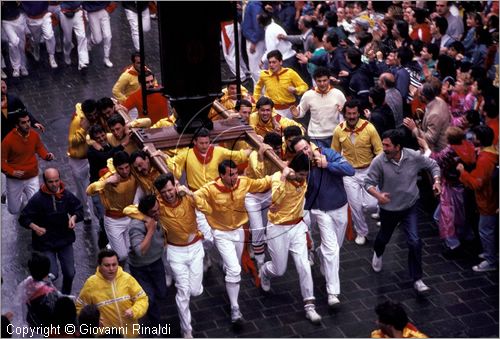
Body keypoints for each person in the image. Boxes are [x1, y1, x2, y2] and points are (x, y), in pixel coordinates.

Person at [194, 160, 272, 324]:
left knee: (233, 265)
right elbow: (195, 198)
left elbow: (263, 183)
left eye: (236, 173)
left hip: (239, 231)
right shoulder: (210, 189)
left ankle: (227, 269)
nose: (234, 177)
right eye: (230, 174)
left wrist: (282, 173)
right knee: (235, 270)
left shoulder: (244, 182)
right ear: (221, 175)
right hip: (221, 234)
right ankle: (235, 309)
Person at [365, 129, 441, 292]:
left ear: (398, 147)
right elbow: (368, 183)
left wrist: (436, 181)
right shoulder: (379, 161)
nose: (384, 148)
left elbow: (433, 165)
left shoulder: (413, 156)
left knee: (414, 242)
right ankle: (378, 253)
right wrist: (378, 196)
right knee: (383, 238)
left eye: (387, 145)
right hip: (389, 209)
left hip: (410, 207)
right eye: (383, 144)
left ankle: (417, 279)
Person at [259, 153, 322, 323]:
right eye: (301, 175)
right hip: (277, 228)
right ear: (293, 170)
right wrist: (283, 178)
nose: (303, 179)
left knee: (304, 265)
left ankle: (310, 306)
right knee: (279, 270)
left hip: (297, 226)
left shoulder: (302, 179)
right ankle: (264, 271)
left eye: (305, 176)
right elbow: (275, 202)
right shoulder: (277, 177)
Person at [292, 136, 354, 306]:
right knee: (333, 250)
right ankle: (333, 293)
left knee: (335, 247)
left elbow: (350, 170)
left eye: (306, 148)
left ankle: (320, 253)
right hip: (320, 211)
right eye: (301, 152)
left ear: (310, 145)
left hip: (340, 207)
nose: (306, 153)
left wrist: (328, 165)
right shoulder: (302, 168)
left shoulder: (328, 153)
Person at [19, 168, 83, 295]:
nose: (54, 185)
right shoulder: (37, 199)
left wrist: (74, 218)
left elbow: (79, 209)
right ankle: (50, 295)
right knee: (52, 274)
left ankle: (65, 295)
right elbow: (23, 218)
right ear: (45, 182)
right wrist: (35, 228)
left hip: (64, 239)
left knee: (70, 273)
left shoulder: (66, 195)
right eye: (51, 182)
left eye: (56, 181)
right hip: (45, 242)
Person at [331, 100, 382, 245]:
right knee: (355, 206)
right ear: (344, 114)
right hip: (349, 173)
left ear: (358, 113)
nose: (352, 116)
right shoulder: (338, 130)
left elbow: (379, 150)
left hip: (368, 171)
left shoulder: (369, 128)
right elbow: (334, 153)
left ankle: (379, 212)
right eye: (349, 114)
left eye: (354, 113)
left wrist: (376, 169)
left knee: (371, 205)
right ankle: (362, 232)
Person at [76, 249, 149, 337]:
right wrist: (92, 322)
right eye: (107, 265)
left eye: (114, 265)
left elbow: (142, 299)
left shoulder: (127, 279)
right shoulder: (91, 284)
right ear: (100, 265)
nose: (111, 269)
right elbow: (79, 307)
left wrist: (134, 311)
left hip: (131, 335)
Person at [457, 126, 499, 272]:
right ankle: (491, 253)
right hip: (492, 199)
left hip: (487, 201)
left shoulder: (485, 160)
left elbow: (477, 184)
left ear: (479, 140)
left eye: (474, 136)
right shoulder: (492, 153)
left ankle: (490, 259)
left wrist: (463, 173)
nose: (472, 138)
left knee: (485, 230)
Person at [86, 151, 139, 264]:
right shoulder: (109, 177)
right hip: (113, 221)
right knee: (122, 255)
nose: (125, 171)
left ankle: (111, 246)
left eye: (127, 167)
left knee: (130, 250)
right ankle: (109, 250)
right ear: (115, 168)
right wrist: (106, 181)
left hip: (130, 217)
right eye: (121, 168)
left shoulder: (134, 173)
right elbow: (89, 191)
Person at [1, 110, 54, 215]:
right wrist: (12, 172)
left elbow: (40, 148)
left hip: (31, 176)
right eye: (23, 122)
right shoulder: (7, 141)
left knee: (36, 206)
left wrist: (47, 156)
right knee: (13, 210)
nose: (27, 124)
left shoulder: (34, 135)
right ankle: (9, 194)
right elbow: (1, 161)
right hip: (15, 179)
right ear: (17, 125)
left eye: (28, 121)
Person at [127, 195, 167, 327]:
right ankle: (156, 326)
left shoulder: (158, 216)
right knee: (150, 297)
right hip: (140, 268)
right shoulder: (136, 226)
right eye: (153, 212)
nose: (157, 213)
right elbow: (140, 251)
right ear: (145, 213)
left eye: (157, 209)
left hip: (156, 262)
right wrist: (150, 230)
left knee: (161, 292)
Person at [291, 66, 346, 149]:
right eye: (319, 81)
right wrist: (296, 113)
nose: (322, 83)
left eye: (325, 80)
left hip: (334, 135)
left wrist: (342, 111)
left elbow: (346, 113)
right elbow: (301, 112)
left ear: (329, 79)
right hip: (315, 136)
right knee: (320, 161)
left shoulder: (338, 94)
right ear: (315, 81)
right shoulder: (308, 95)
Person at [253, 50, 308, 119]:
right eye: (270, 62)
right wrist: (256, 101)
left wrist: (296, 90)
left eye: (274, 62)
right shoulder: (264, 74)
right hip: (272, 110)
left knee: (287, 128)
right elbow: (258, 87)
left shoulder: (290, 73)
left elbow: (304, 86)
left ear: (281, 62)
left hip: (288, 110)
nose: (271, 65)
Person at [67, 99, 97, 225]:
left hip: (91, 157)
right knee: (82, 188)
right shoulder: (77, 121)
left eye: (95, 114)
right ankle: (85, 213)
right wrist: (83, 130)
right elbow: (72, 141)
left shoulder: (95, 117)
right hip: (78, 160)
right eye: (91, 115)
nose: (94, 117)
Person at [15, 252, 62, 328]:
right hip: (45, 325)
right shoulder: (49, 293)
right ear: (47, 270)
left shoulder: (26, 283)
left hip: (31, 320)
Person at [403, 82, 450, 152]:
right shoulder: (438, 100)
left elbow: (429, 140)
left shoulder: (434, 115)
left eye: (418, 94)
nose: (417, 95)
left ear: (424, 97)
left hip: (436, 151)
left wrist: (414, 128)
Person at [21, 1, 58, 69]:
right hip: (32, 19)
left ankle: (51, 56)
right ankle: (36, 49)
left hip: (45, 15)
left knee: (49, 35)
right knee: (36, 39)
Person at [1, 1, 28, 77]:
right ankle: (16, 67)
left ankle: (23, 66)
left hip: (18, 19)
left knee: (21, 46)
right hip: (6, 22)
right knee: (14, 42)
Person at [82, 1, 113, 67]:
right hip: (92, 12)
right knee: (97, 40)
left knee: (108, 36)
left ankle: (106, 58)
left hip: (104, 10)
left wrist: (111, 4)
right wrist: (85, 10)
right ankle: (88, 43)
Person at [59, 2, 89, 70]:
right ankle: (67, 54)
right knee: (68, 40)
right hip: (65, 13)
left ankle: (83, 62)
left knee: (82, 36)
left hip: (78, 12)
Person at [242, 0, 265, 86]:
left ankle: (263, 93)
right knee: (255, 69)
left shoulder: (254, 4)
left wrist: (254, 41)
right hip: (253, 38)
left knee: (255, 69)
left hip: (255, 40)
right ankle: (258, 94)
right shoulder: (252, 4)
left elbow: (258, 23)